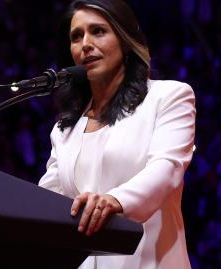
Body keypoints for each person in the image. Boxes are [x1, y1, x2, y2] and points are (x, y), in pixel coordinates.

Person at [38, 0, 196, 268]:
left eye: (98, 31)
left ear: (124, 41)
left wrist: (115, 200)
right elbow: (47, 199)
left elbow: (166, 170)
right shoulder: (65, 129)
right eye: (77, 36)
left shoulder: (168, 97)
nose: (85, 43)